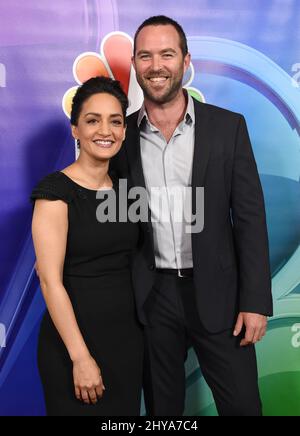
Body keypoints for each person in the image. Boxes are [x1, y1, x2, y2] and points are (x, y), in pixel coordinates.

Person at [110, 15, 273, 416]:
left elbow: (250, 218)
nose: (156, 66)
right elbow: (111, 222)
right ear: (134, 64)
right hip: (152, 298)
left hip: (221, 296)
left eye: (167, 54)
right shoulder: (119, 137)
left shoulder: (228, 128)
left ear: (186, 60)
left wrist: (255, 301)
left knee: (244, 407)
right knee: (164, 413)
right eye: (145, 56)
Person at [31, 76, 143, 416]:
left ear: (124, 130)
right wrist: (80, 358)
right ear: (75, 129)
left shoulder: (128, 190)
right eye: (92, 120)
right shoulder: (55, 191)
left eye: (115, 121)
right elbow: (49, 281)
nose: (105, 131)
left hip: (127, 345)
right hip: (73, 347)